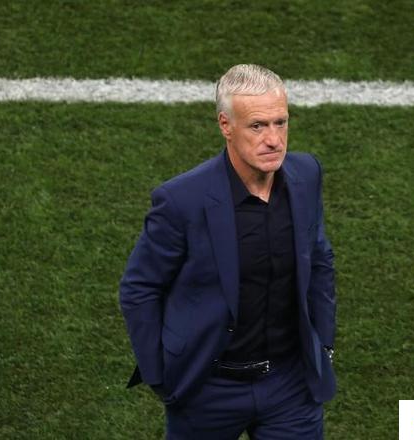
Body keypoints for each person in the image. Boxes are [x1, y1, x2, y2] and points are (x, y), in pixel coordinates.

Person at [119, 64, 336, 439]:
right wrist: (159, 375)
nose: (274, 139)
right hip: (208, 389)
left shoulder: (306, 175)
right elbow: (140, 287)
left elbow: (318, 260)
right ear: (226, 125)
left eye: (280, 122)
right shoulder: (182, 200)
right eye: (257, 126)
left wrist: (324, 343)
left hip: (290, 385)